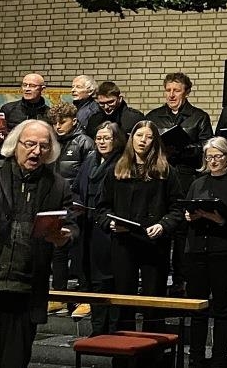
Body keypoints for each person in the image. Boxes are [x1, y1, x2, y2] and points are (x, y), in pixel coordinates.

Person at [0, 119, 77, 368]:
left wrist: (66, 235)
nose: (36, 151)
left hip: (23, 292)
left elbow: (71, 225)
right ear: (14, 144)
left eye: (43, 146)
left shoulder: (58, 185)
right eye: (30, 144)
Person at [97, 119, 184, 332]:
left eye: (149, 137)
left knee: (153, 301)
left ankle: (152, 354)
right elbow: (101, 208)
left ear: (155, 142)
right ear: (131, 139)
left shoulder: (167, 171)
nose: (143, 141)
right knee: (124, 300)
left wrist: (163, 225)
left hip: (154, 244)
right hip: (124, 243)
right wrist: (110, 223)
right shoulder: (117, 170)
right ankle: (125, 355)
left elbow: (177, 209)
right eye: (139, 135)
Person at [184, 137, 227, 368]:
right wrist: (189, 216)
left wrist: (220, 219)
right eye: (209, 157)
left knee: (221, 308)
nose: (213, 161)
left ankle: (220, 357)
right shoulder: (197, 182)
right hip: (196, 251)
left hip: (223, 251)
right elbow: (189, 209)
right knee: (197, 307)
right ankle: (196, 357)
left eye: (217, 156)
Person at [145, 72, 213, 296]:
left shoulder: (198, 117)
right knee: (160, 226)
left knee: (183, 231)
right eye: (168, 90)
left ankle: (182, 281)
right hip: (159, 177)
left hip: (186, 176)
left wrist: (185, 149)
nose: (171, 94)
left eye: (177, 90)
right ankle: (157, 280)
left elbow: (207, 148)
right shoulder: (154, 116)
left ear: (186, 92)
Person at [71, 122, 125, 334]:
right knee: (92, 278)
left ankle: (112, 329)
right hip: (87, 224)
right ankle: (97, 328)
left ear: (116, 140)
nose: (101, 142)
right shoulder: (90, 160)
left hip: (107, 226)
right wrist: (76, 205)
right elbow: (76, 187)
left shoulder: (121, 162)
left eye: (107, 138)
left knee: (107, 279)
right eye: (99, 138)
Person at [46, 103, 94, 315]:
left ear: (74, 120)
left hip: (78, 204)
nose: (57, 126)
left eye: (62, 121)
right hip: (56, 202)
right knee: (58, 249)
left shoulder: (85, 142)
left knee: (80, 251)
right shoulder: (51, 142)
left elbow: (88, 176)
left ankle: (85, 297)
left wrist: (82, 202)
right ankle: (58, 296)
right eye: (54, 122)